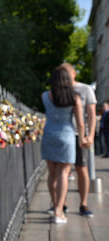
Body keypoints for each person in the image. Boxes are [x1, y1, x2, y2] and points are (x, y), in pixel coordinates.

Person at [41, 66, 86, 224]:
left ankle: (54, 205)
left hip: (49, 135)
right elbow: (80, 123)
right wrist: (81, 139)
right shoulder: (75, 98)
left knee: (51, 174)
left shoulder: (45, 96)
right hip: (66, 135)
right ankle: (59, 211)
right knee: (63, 174)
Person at [61, 62, 96, 217]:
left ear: (74, 74)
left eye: (67, 74)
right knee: (63, 170)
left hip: (79, 134)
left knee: (81, 168)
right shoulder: (60, 90)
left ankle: (83, 203)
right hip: (65, 133)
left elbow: (92, 114)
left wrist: (91, 135)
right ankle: (62, 203)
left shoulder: (85, 89)